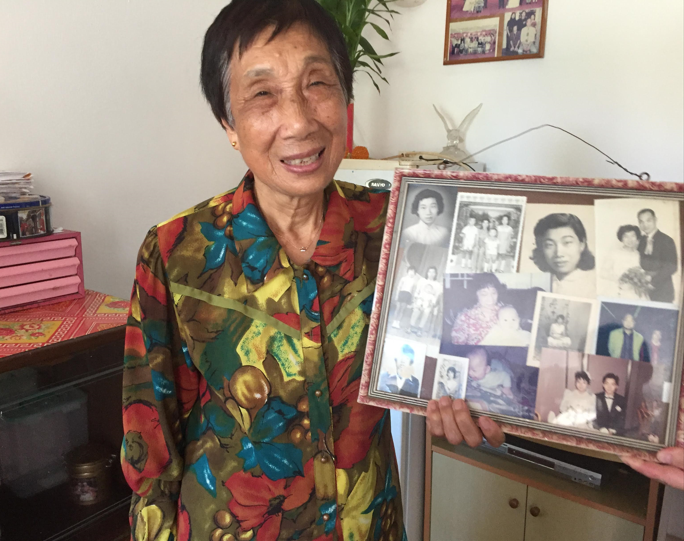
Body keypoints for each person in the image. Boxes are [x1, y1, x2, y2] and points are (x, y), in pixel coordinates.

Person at [120, 2, 469, 538]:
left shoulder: (396, 233)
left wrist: (470, 393)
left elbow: (458, 358)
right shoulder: (178, 253)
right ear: (229, 124)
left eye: (317, 84)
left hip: (367, 525)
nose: (300, 121)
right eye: (263, 94)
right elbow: (152, 440)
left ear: (346, 101)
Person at [531, 213, 597, 298]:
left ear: (582, 244)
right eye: (549, 245)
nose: (558, 253)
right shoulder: (540, 286)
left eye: (567, 242)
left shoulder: (595, 287)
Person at [637, 209, 678, 304]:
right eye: (641, 222)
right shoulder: (641, 241)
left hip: (662, 290)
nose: (645, 225)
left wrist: (652, 281)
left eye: (648, 220)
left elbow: (671, 267)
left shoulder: (667, 240)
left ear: (655, 220)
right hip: (643, 291)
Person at [451, 273, 504, 345]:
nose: (491, 299)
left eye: (494, 293)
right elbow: (457, 346)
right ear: (475, 294)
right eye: (484, 294)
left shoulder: (507, 312)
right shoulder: (465, 317)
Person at [408, 266, 443, 336]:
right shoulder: (422, 281)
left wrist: (432, 303)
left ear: (436, 274)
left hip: (429, 302)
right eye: (429, 272)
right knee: (416, 311)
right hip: (420, 299)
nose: (431, 274)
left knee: (426, 313)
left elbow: (436, 296)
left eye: (433, 272)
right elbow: (417, 291)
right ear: (427, 272)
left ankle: (419, 330)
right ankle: (410, 327)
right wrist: (416, 300)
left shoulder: (437, 285)